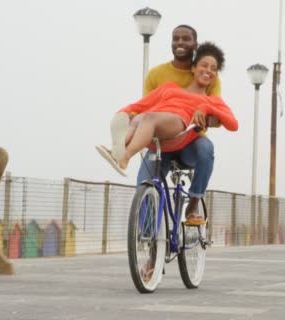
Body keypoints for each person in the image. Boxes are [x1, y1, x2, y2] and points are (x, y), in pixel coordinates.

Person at [96, 42, 238, 223]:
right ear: (193, 69)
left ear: (216, 75)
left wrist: (206, 109)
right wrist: (123, 113)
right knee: (140, 118)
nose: (208, 70)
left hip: (179, 131)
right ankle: (147, 237)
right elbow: (141, 105)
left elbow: (233, 124)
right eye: (203, 65)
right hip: (156, 137)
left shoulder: (211, 101)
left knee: (148, 119)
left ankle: (124, 156)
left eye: (213, 68)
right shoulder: (169, 88)